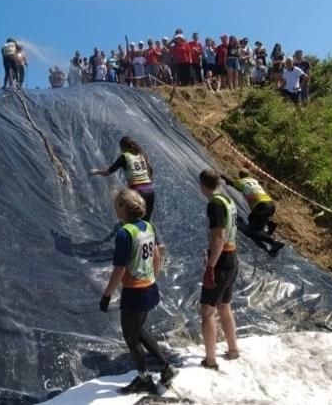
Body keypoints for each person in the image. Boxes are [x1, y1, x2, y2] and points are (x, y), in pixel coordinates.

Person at [99, 189, 178, 394]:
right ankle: (166, 367)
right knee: (138, 329)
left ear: (123, 207)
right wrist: (152, 279)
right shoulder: (148, 227)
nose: (114, 208)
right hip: (149, 288)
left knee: (131, 337)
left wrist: (107, 295)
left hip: (134, 293)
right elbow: (157, 257)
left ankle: (144, 378)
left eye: (116, 204)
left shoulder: (124, 233)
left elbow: (119, 269)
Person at [197, 169, 240, 370]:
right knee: (224, 306)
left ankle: (210, 359)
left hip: (222, 261)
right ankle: (233, 349)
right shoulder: (228, 200)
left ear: (202, 185)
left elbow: (219, 237)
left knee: (207, 312)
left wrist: (210, 267)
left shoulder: (214, 205)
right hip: (232, 258)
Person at [89, 136, 157, 222]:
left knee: (130, 217)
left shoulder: (124, 157)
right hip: (150, 191)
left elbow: (107, 172)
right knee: (146, 221)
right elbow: (150, 171)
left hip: (138, 192)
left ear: (122, 147)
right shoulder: (141, 155)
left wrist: (96, 171)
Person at [221, 169, 284, 254]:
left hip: (261, 206)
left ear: (240, 176)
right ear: (249, 175)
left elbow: (231, 183)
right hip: (270, 204)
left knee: (254, 231)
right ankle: (270, 223)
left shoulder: (241, 182)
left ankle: (274, 242)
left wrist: (224, 177)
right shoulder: (254, 180)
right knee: (252, 218)